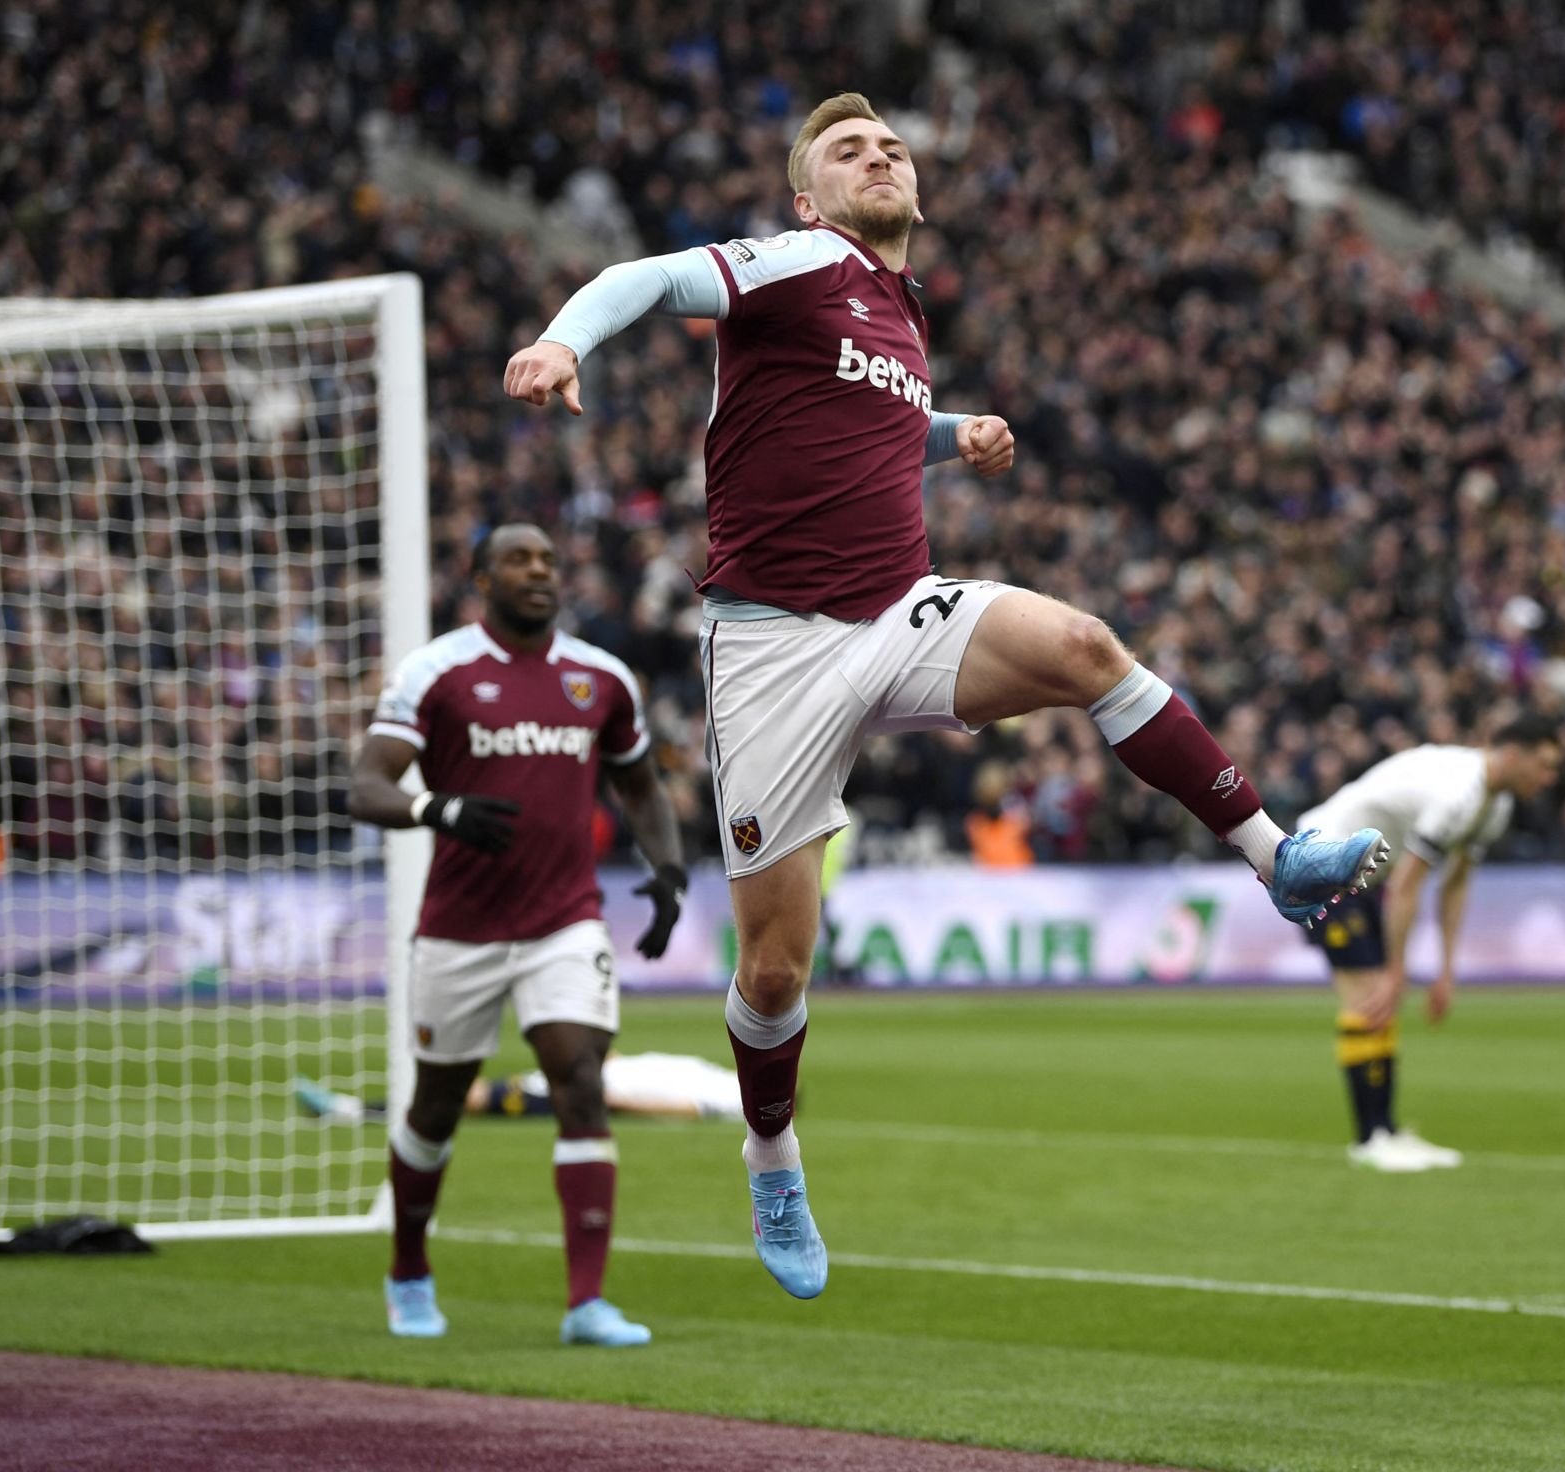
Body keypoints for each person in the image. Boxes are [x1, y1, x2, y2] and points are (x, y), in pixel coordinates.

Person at [504, 92, 1388, 1300]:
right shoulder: (798, 262)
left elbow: (862, 423)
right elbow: (642, 280)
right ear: (806, 199)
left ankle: (1276, 854)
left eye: (893, 147)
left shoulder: (896, 314)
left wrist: (948, 427)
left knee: (1081, 643)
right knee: (772, 973)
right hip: (770, 650)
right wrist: (565, 339)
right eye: (847, 150)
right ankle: (772, 1152)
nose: (880, 155)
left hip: (894, 611)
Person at [347, 523, 688, 1345]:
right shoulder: (437, 671)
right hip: (459, 929)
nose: (538, 570)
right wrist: (441, 808)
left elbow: (637, 786)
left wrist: (669, 870)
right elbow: (366, 785)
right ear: (480, 578)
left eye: (547, 559)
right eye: (517, 560)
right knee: (433, 1108)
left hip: (564, 921)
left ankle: (586, 1304)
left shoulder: (600, 679)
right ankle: (408, 1272)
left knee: (578, 1078)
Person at [1297, 716, 1565, 1171]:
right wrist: (1399, 972)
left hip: (1361, 875)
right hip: (1320, 860)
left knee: (1378, 999)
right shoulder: (1458, 794)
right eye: (1543, 766)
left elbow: (1454, 886)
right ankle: (1371, 1138)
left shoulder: (1493, 806)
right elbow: (1406, 886)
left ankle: (1385, 1132)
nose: (1549, 779)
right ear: (1513, 755)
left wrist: (1445, 970)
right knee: (1369, 997)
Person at [294, 1051, 746, 1125]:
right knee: (461, 1091)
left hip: (574, 1093)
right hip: (577, 1073)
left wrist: (608, 1098)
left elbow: (681, 1108)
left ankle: (347, 1111)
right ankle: (350, 1109)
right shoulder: (721, 1073)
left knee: (463, 1096)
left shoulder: (731, 1099)